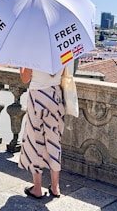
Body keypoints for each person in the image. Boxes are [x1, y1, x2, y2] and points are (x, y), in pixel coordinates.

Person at [18, 61, 74, 199]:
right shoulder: (60, 52)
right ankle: (55, 187)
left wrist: (21, 62)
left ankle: (37, 188)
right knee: (55, 141)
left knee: (35, 141)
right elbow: (64, 75)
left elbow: (25, 79)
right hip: (56, 97)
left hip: (38, 97)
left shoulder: (33, 54)